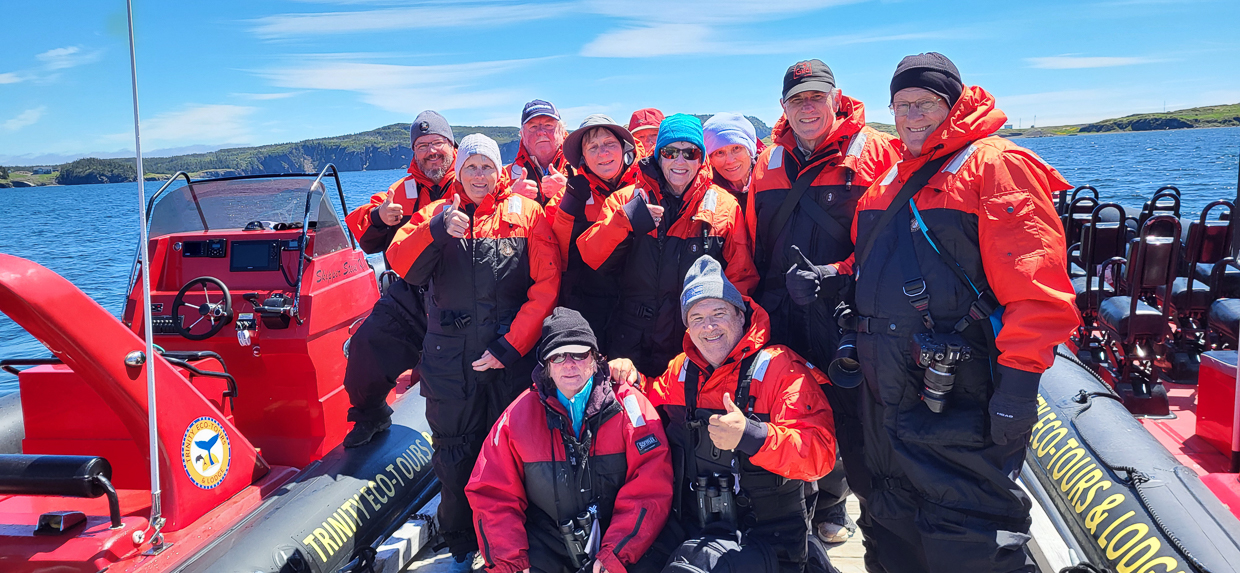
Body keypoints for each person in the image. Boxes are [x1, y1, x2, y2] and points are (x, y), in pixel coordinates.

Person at [846, 52, 1076, 572]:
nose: (912, 116)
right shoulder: (884, 184)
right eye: (901, 105)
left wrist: (1018, 387)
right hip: (885, 389)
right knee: (889, 516)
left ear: (950, 103)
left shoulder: (996, 164)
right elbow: (869, 268)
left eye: (924, 103)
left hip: (962, 387)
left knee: (966, 525)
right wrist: (833, 279)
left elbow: (1036, 288)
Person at [386, 133, 563, 562]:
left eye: (487, 166)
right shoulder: (434, 214)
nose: (479, 175)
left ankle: (521, 540)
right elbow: (401, 265)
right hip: (450, 361)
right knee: (454, 453)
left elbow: (547, 286)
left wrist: (511, 346)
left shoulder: (528, 214)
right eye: (471, 167)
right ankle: (462, 542)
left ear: (500, 170)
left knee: (520, 449)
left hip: (509, 358)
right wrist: (435, 230)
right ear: (459, 172)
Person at [749, 59, 900, 548]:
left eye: (816, 96)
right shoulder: (768, 162)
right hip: (782, 310)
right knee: (788, 412)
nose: (807, 107)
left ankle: (853, 508)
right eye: (797, 99)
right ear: (783, 107)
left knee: (853, 417)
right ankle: (800, 509)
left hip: (848, 314)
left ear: (836, 97)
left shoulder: (877, 152)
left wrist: (833, 274)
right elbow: (753, 241)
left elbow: (893, 246)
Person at [609, 256, 837, 573]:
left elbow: (820, 454)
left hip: (767, 534)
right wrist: (630, 378)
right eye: (697, 318)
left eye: (719, 314)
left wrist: (753, 436)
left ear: (740, 316)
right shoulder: (682, 370)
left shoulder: (779, 367)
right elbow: (649, 398)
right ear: (688, 327)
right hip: (696, 525)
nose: (709, 326)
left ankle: (808, 560)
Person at [466, 307, 673, 573]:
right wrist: (511, 562)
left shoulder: (630, 405)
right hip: (549, 539)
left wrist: (616, 554)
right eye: (558, 356)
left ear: (595, 359)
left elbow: (651, 485)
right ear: (546, 366)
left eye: (579, 353)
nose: (569, 364)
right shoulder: (517, 416)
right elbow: (491, 493)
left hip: (620, 540)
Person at [577, 114, 758, 378]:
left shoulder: (725, 206)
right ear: (658, 155)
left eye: (690, 152)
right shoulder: (626, 199)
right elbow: (590, 257)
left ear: (701, 158)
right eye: (670, 152)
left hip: (693, 340)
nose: (680, 161)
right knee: (630, 414)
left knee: (682, 413)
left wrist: (721, 331)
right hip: (629, 337)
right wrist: (623, 222)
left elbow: (741, 278)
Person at [341, 110, 457, 447]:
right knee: (366, 344)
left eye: (437, 143)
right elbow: (363, 231)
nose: (431, 152)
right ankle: (371, 414)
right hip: (412, 292)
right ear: (413, 153)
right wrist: (378, 217)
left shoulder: (470, 176)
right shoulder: (400, 191)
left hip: (462, 289)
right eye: (422, 146)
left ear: (450, 145)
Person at [548, 114, 641, 349]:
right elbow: (553, 257)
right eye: (593, 147)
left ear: (624, 149)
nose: (603, 152)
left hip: (638, 313)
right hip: (586, 312)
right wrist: (569, 207)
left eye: (610, 144)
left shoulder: (646, 188)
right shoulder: (565, 198)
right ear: (583, 158)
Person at [508, 99, 574, 205]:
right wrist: (510, 197)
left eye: (548, 125)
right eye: (533, 127)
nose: (541, 132)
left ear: (562, 131)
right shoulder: (502, 177)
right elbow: (486, 215)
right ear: (522, 135)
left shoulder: (583, 169)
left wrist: (569, 192)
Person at [703, 113, 759, 210]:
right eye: (719, 153)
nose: (730, 160)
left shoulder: (773, 177)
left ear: (750, 150)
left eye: (736, 148)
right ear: (710, 160)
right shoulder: (704, 195)